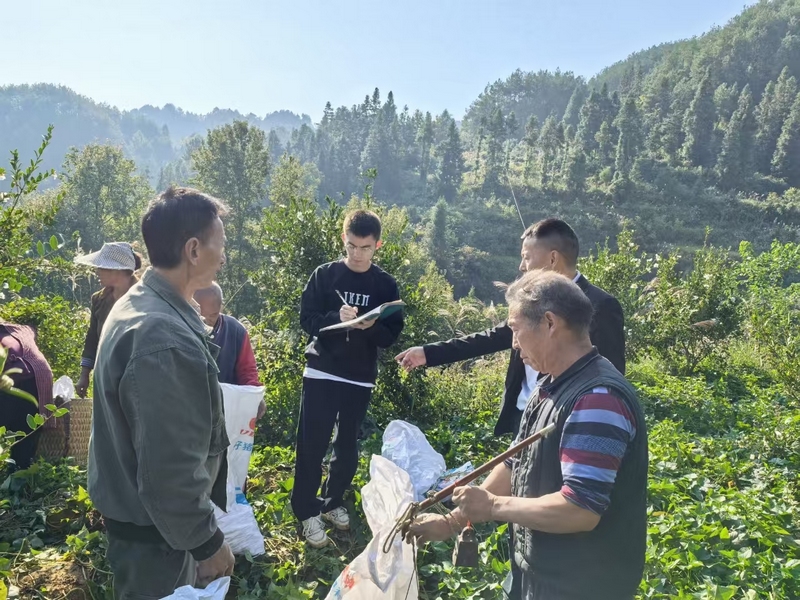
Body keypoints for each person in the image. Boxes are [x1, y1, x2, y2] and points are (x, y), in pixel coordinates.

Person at [406, 270, 648, 600]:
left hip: (582, 583)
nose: (514, 344)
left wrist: (492, 506)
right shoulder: (549, 384)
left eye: (516, 330)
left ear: (550, 323)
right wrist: (452, 521)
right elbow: (516, 461)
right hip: (537, 572)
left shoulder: (597, 398)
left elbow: (580, 509)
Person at [88, 186, 235, 599]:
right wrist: (206, 542)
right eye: (219, 244)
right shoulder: (162, 338)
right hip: (156, 533)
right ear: (193, 249)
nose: (223, 256)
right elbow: (167, 465)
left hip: (151, 524)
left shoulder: (145, 301)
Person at [396, 218, 625, 438]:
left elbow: (610, 377)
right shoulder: (530, 302)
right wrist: (428, 353)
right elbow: (491, 338)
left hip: (565, 420)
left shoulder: (599, 305)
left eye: (526, 257)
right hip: (524, 416)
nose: (521, 266)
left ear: (553, 259)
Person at [291, 209, 404, 548]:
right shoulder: (324, 276)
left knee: (347, 446)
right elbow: (307, 320)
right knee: (312, 442)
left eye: (365, 248)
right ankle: (305, 510)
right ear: (343, 239)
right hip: (323, 371)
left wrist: (371, 328)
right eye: (351, 246)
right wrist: (333, 317)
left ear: (377, 245)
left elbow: (391, 334)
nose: (357, 254)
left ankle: (331, 501)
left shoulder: (385, 285)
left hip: (360, 377)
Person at [74, 242, 143, 398]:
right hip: (106, 376)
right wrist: (84, 375)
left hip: (138, 377)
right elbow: (92, 339)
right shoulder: (99, 300)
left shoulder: (144, 299)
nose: (97, 271)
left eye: (101, 267)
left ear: (116, 270)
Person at [194, 282, 265, 419]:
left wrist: (254, 396)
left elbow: (247, 370)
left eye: (212, 316)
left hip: (229, 408)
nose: (206, 321)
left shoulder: (236, 331)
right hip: (194, 407)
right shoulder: (184, 327)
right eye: (201, 316)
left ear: (221, 307)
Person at [0, 322, 53, 470]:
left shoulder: (13, 334)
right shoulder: (18, 331)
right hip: (18, 384)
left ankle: (19, 478)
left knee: (24, 435)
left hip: (29, 385)